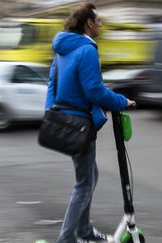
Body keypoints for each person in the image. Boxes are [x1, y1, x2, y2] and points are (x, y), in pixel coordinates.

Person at [44, 2, 136, 243]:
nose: (101, 24)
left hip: (65, 121)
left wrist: (50, 112)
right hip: (79, 125)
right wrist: (121, 101)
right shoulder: (87, 50)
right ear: (89, 23)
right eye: (98, 20)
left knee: (89, 176)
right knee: (84, 183)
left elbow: (52, 83)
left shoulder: (63, 48)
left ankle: (84, 231)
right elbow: (94, 90)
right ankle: (66, 239)